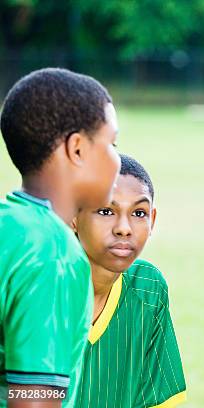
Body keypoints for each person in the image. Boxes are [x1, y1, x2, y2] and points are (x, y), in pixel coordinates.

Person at [0, 68, 120, 407]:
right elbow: (34, 400)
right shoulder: (53, 252)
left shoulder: (9, 224)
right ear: (78, 149)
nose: (117, 159)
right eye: (112, 144)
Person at [72, 154, 186, 407]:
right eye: (106, 211)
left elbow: (157, 400)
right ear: (73, 216)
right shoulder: (34, 288)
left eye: (138, 212)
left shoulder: (148, 287)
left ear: (153, 220)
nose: (124, 228)